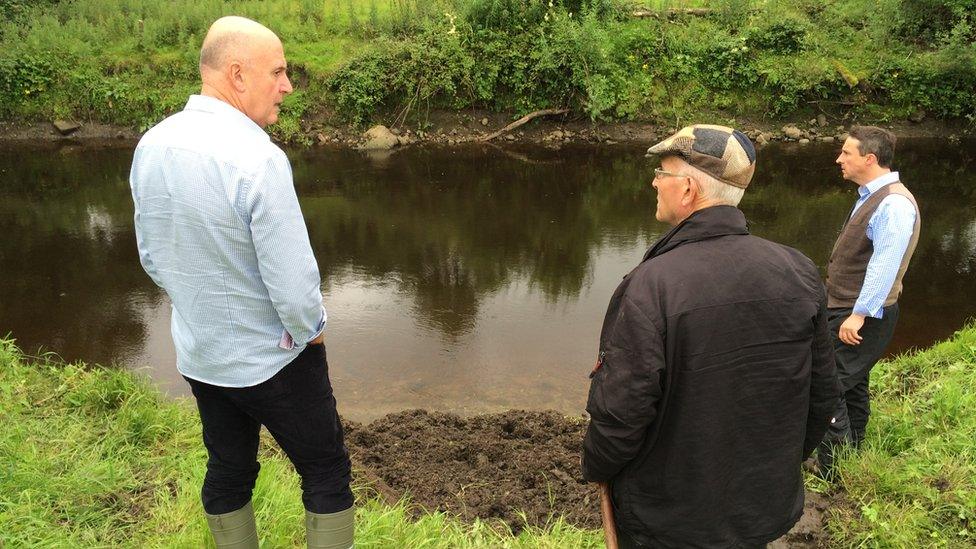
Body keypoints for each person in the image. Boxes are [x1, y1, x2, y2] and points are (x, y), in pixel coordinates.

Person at [129, 16, 353, 549]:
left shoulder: (153, 145)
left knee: (229, 468)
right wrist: (312, 330)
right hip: (274, 360)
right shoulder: (258, 159)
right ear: (237, 75)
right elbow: (295, 284)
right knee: (325, 472)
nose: (287, 86)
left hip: (202, 355)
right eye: (277, 71)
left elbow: (151, 256)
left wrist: (199, 306)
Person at [581, 124, 841, 548]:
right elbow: (822, 395)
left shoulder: (652, 284)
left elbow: (621, 415)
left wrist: (595, 466)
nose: (654, 182)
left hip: (668, 521)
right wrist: (776, 468)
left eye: (662, 173)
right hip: (761, 509)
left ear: (686, 189)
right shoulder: (799, 271)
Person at [817, 126, 920, 476]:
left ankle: (834, 467)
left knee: (828, 385)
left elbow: (885, 265)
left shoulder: (893, 203)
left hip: (860, 314)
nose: (839, 159)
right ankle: (853, 449)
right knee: (853, 383)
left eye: (846, 153)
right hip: (848, 308)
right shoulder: (871, 195)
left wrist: (858, 315)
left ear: (869, 158)